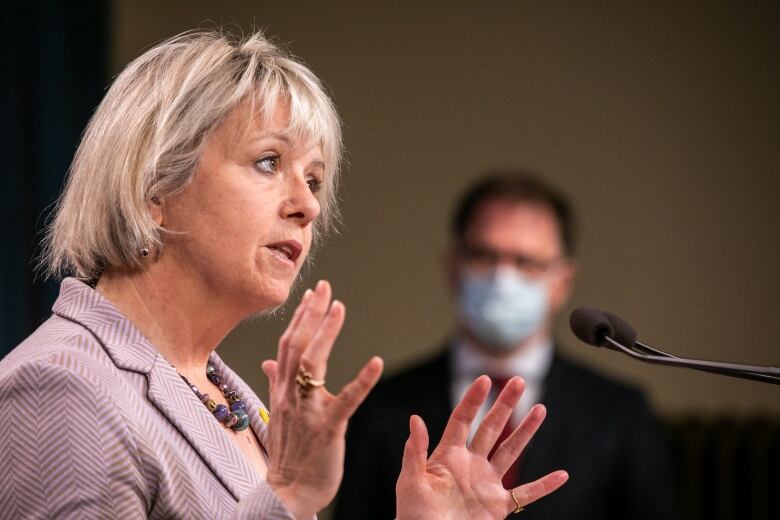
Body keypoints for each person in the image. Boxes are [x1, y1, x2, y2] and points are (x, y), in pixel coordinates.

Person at [0, 32, 569, 519]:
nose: (308, 206)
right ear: (154, 188)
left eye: (315, 179)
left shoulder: (235, 398)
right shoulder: (62, 387)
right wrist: (290, 494)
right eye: (268, 162)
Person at [336, 173, 677, 520]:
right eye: (484, 256)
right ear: (454, 266)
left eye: (526, 263)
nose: (503, 279)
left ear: (563, 282)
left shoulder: (619, 413)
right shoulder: (383, 406)